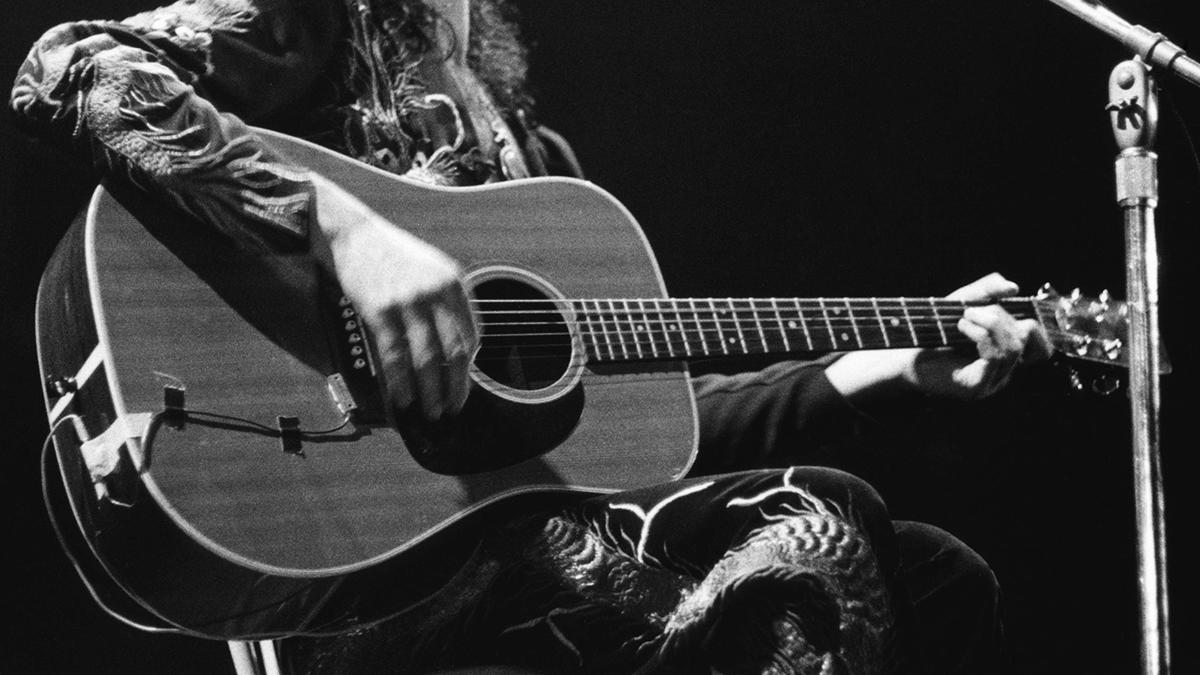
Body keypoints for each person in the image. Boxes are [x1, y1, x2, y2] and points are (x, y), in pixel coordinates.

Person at [10, 1, 1050, 672]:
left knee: (936, 577)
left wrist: (876, 368)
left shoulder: (532, 162)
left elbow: (629, 440)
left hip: (532, 550)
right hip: (350, 560)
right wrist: (344, 229)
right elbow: (61, 69)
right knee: (818, 527)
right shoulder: (312, 21)